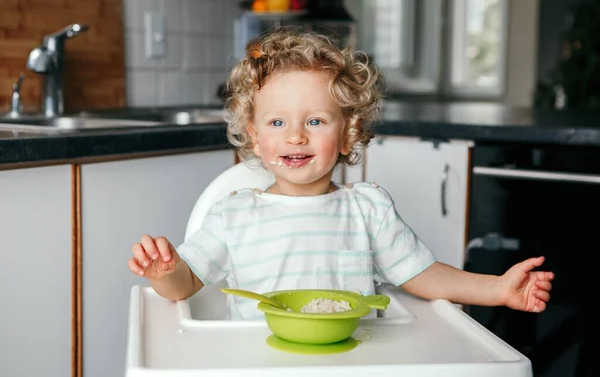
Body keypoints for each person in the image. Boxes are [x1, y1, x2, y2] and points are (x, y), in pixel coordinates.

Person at [127, 27, 554, 320]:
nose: (295, 137)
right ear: (254, 138)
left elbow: (421, 274)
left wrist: (496, 289)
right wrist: (165, 273)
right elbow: (185, 285)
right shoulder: (231, 217)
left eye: (315, 122)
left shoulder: (367, 210)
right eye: (277, 124)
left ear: (348, 134)